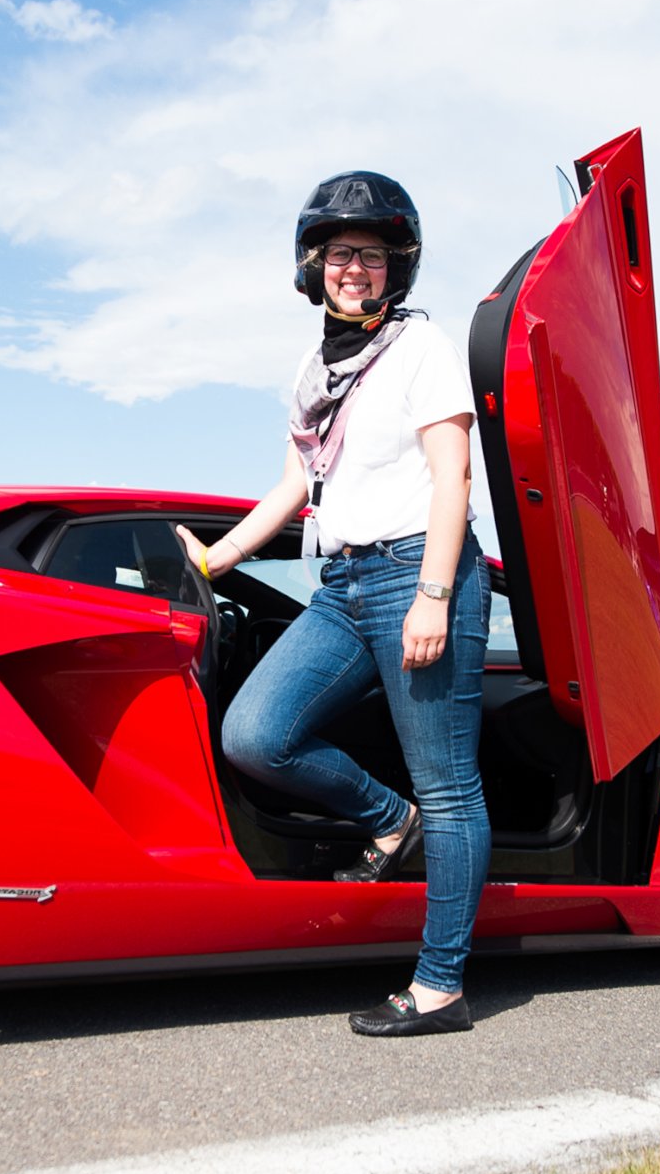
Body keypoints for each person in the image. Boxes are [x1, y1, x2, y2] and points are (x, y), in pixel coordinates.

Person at [174, 171, 492, 1037]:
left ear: (399, 267)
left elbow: (452, 474)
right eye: (341, 253)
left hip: (416, 577)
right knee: (257, 734)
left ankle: (439, 985)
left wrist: (433, 593)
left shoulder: (422, 347)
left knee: (452, 785)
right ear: (314, 266)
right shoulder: (315, 368)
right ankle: (391, 820)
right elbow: (292, 484)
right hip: (342, 584)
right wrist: (218, 555)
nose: (356, 268)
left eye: (374, 255)